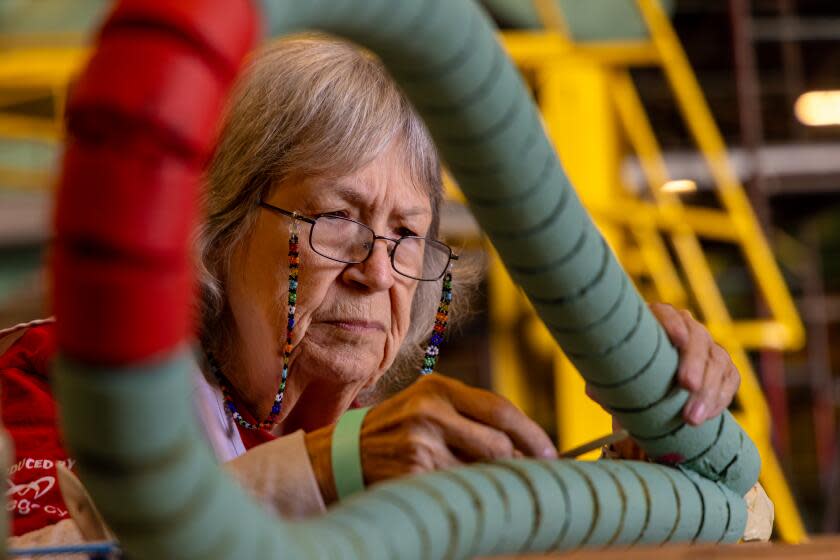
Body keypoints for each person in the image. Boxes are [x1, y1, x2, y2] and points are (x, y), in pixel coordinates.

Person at [2, 36, 742, 546]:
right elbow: (51, 556)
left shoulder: (388, 445)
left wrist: (650, 463)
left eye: (406, 235)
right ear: (214, 232)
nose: (377, 270)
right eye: (335, 218)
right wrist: (324, 471)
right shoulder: (62, 383)